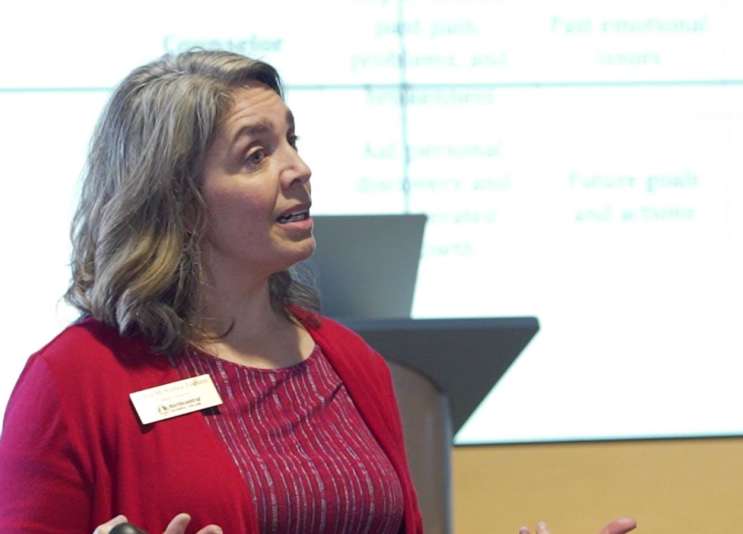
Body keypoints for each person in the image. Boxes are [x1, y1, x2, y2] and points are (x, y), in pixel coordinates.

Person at [0, 50, 635, 534]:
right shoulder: (74, 382)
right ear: (176, 200)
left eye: (291, 142)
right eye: (256, 155)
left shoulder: (349, 360)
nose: (299, 170)